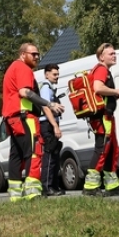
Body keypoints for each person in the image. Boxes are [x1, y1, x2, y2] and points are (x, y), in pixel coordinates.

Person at [0, 43, 59, 202]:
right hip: (25, 116)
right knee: (34, 151)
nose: (37, 57)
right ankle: (33, 193)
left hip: (13, 118)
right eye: (33, 54)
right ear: (22, 54)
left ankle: (15, 196)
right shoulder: (23, 68)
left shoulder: (12, 68)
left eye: (38, 54)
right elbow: (25, 92)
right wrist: (49, 104)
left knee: (16, 155)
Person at [82, 43, 119, 197]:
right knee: (102, 149)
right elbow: (98, 88)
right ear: (101, 57)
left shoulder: (103, 70)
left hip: (107, 116)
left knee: (111, 151)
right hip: (102, 117)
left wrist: (114, 95)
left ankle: (112, 185)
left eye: (115, 53)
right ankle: (90, 187)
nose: (114, 56)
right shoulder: (101, 69)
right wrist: (116, 91)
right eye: (111, 54)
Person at [38, 64, 66, 196]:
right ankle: (47, 187)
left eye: (58, 74)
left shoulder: (50, 88)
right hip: (47, 124)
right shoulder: (45, 88)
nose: (57, 77)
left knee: (54, 154)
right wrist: (55, 125)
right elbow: (45, 107)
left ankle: (54, 186)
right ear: (46, 74)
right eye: (54, 74)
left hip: (50, 123)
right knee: (49, 156)